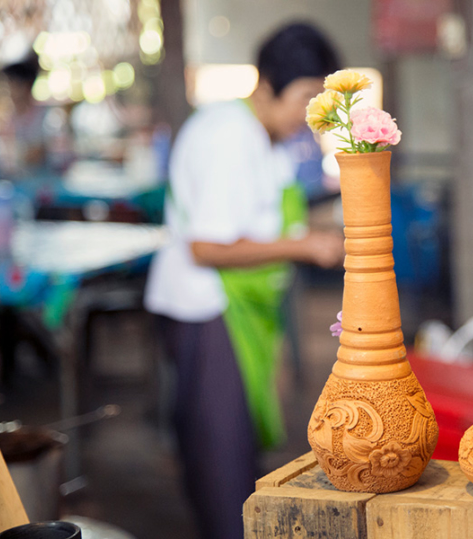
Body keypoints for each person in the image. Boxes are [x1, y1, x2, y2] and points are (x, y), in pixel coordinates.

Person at [144, 22, 344, 539]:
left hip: (240, 312)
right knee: (221, 456)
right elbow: (206, 246)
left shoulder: (266, 139)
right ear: (267, 85)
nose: (309, 115)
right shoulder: (228, 133)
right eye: (304, 98)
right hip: (205, 309)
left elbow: (261, 223)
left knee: (238, 444)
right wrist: (304, 246)